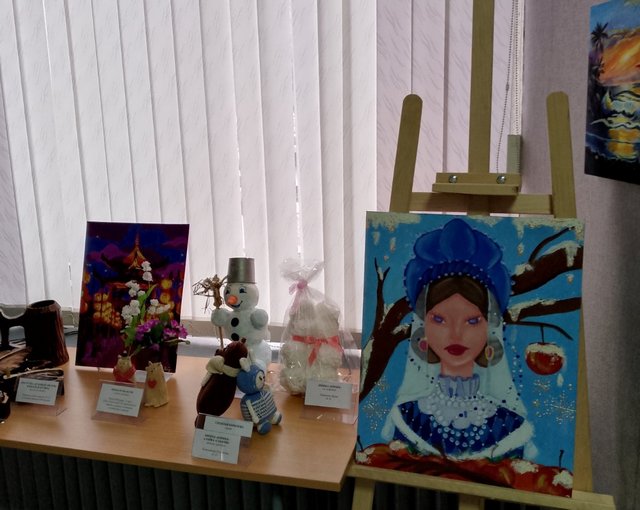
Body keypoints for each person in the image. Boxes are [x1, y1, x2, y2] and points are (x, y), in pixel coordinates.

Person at [382, 218, 534, 460]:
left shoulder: (508, 427)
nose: (455, 334)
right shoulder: (409, 418)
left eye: (472, 321)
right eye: (439, 320)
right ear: (423, 327)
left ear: (489, 328)